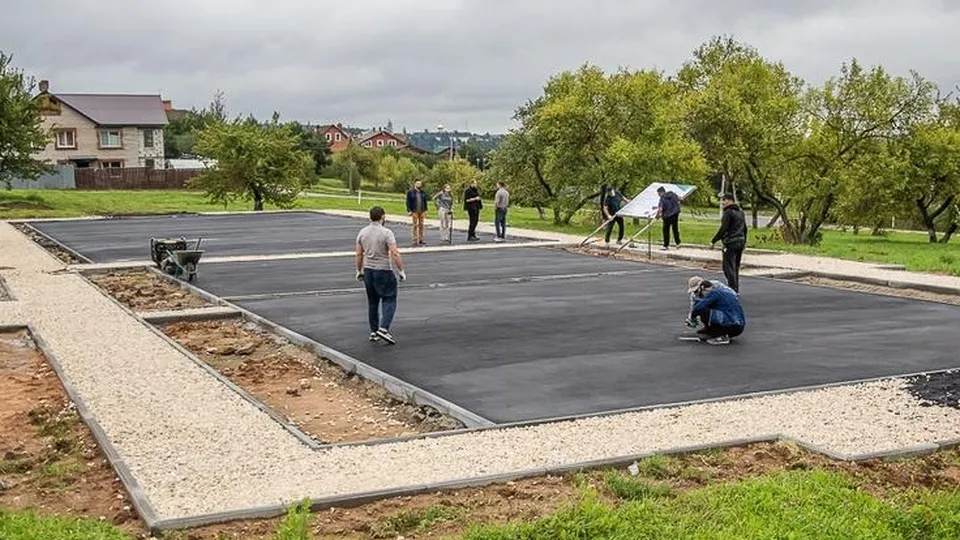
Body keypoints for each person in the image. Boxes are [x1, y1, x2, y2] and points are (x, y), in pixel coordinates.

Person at [355, 206, 407, 345]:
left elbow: (359, 253)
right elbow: (394, 252)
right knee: (389, 298)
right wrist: (401, 270)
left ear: (370, 217)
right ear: (383, 217)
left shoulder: (362, 232)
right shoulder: (387, 233)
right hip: (383, 270)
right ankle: (384, 328)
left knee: (372, 302)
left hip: (368, 271)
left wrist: (359, 270)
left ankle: (373, 331)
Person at [685, 276, 745, 345]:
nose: (696, 294)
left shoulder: (714, 291)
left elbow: (697, 308)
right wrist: (690, 318)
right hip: (738, 324)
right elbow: (694, 306)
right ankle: (712, 330)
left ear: (702, 288)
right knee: (706, 307)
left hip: (731, 323)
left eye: (696, 291)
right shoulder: (717, 291)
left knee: (703, 309)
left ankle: (721, 334)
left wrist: (693, 317)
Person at [711, 193, 748, 292]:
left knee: (728, 267)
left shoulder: (728, 212)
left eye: (725, 200)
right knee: (735, 266)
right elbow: (745, 228)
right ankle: (736, 288)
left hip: (730, 242)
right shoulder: (741, 212)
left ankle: (732, 289)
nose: (723, 202)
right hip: (740, 241)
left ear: (730, 201)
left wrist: (714, 240)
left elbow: (724, 228)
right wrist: (744, 242)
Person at [406, 179, 430, 246]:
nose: (419, 185)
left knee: (421, 225)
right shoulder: (410, 192)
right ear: (415, 184)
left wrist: (426, 210)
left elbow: (425, 202)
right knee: (415, 225)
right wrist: (409, 210)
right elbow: (408, 202)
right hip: (414, 211)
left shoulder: (423, 192)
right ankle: (414, 239)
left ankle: (421, 239)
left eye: (420, 184)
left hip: (422, 210)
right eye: (418, 184)